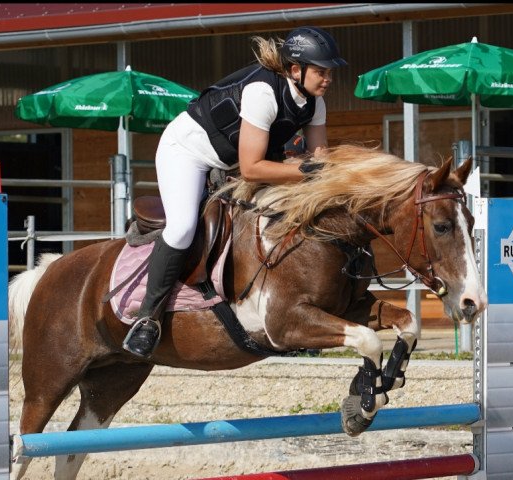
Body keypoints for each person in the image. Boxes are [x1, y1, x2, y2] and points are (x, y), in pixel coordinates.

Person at [122, 26, 347, 358]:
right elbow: (253, 168)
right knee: (183, 226)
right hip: (187, 152)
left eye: (330, 71)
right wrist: (307, 171)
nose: (328, 78)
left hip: (230, 161)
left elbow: (319, 162)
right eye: (321, 70)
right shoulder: (262, 92)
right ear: (295, 70)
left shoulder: (315, 103)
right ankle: (147, 318)